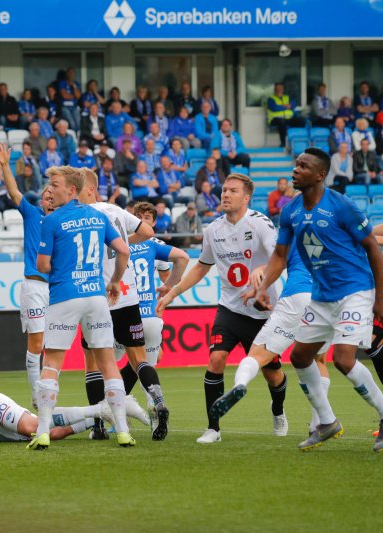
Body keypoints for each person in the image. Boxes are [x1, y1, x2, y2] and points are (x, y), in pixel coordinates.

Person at [253, 148, 383, 452]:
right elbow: (280, 255)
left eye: (303, 166)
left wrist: (379, 297)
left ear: (320, 174)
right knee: (299, 357)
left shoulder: (342, 206)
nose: (296, 170)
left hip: (355, 291)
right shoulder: (290, 211)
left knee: (343, 359)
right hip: (322, 295)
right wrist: (262, 288)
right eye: (296, 164)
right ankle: (326, 422)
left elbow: (373, 249)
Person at [157, 174, 288, 444]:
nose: (225, 195)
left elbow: (280, 257)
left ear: (246, 197)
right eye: (224, 190)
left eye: (233, 191)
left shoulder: (260, 224)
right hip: (229, 308)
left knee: (272, 374)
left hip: (262, 310)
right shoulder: (213, 230)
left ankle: (278, 410)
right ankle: (213, 428)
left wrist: (263, 269)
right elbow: (201, 267)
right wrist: (173, 292)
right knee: (216, 361)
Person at [31, 165, 134, 449]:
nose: (50, 189)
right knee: (108, 364)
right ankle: (123, 431)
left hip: (65, 296)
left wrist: (61, 270)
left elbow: (42, 265)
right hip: (96, 297)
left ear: (72, 189)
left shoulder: (51, 221)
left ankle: (41, 431)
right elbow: (123, 251)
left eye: (54, 184)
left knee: (52, 363)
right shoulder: (98, 216)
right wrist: (114, 281)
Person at [78, 168, 169, 441]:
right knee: (138, 357)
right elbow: (149, 231)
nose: (73, 192)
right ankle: (158, 400)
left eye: (77, 188)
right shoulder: (116, 210)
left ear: (91, 189)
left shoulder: (83, 215)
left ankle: (99, 426)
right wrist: (123, 242)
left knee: (93, 363)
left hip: (99, 294)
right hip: (129, 295)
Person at [210, 244, 331, 436]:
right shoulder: (335, 230)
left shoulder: (294, 232)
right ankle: (319, 424)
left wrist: (260, 284)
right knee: (318, 360)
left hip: (295, 297)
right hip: (325, 299)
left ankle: (240, 383)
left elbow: (275, 263)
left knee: (257, 355)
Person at [0, 144, 52, 405]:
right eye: (46, 196)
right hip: (34, 286)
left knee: (53, 347)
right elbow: (14, 192)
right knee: (37, 343)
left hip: (59, 289)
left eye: (53, 195)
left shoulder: (67, 221)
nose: (49, 199)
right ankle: (37, 397)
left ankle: (47, 393)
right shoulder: (33, 215)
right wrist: (6, 165)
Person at [128, 201, 190, 419]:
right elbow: (181, 260)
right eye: (141, 217)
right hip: (150, 317)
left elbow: (164, 281)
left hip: (125, 314)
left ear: (154, 222)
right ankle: (155, 408)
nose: (145, 221)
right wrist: (168, 287)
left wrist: (165, 288)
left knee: (107, 366)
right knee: (145, 367)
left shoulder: (119, 242)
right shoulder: (155, 245)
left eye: (148, 218)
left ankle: (108, 418)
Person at [267, 82, 305, 148]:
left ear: (283, 89)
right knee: (281, 122)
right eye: (278, 88)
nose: (279, 90)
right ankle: (283, 144)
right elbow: (274, 108)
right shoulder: (271, 99)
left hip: (288, 118)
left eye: (281, 88)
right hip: (275, 119)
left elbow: (293, 104)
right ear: (274, 89)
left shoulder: (287, 97)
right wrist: (285, 106)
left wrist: (287, 106)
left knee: (301, 120)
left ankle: (298, 143)